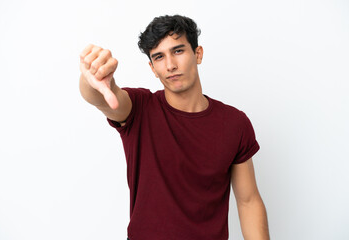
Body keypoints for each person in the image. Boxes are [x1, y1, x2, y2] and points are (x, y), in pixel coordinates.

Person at [79, 15, 269, 240]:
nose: (170, 65)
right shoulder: (140, 108)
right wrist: (92, 80)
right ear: (152, 68)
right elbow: (103, 98)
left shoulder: (235, 123)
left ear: (197, 54)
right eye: (159, 57)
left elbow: (248, 201)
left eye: (178, 51)